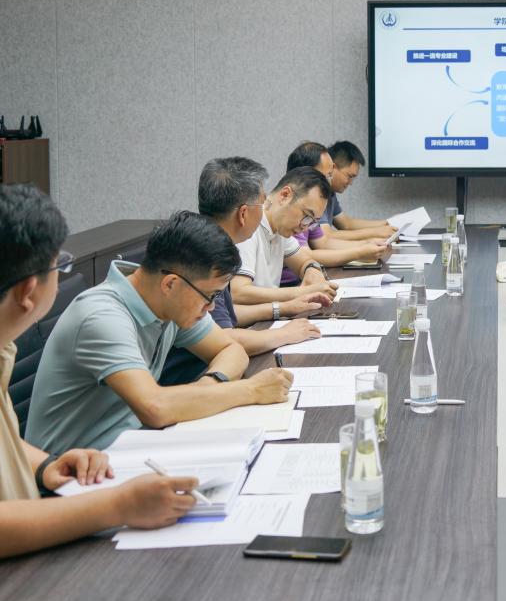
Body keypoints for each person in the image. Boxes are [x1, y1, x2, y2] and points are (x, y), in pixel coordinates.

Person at [1, 185, 198, 558]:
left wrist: (45, 466)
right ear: (28, 291)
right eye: (60, 266)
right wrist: (117, 505)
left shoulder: (3, 347)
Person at [26, 211, 293, 454]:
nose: (211, 307)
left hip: (132, 449)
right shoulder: (102, 317)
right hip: (70, 472)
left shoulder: (169, 303)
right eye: (210, 296)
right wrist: (252, 390)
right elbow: (155, 408)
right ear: (170, 284)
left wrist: (208, 387)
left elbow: (230, 349)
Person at [159, 157, 333, 385]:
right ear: (243, 214)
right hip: (188, 377)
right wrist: (283, 332)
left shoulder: (208, 246)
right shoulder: (204, 258)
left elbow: (223, 327)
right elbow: (226, 338)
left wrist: (284, 308)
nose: (265, 208)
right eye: (261, 203)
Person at [278, 141, 391, 285]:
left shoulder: (312, 207)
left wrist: (366, 245)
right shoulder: (292, 212)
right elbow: (306, 255)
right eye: (326, 176)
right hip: (288, 285)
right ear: (306, 173)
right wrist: (360, 251)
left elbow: (323, 243)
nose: (329, 182)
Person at [230, 167, 340, 305]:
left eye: (312, 222)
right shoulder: (248, 225)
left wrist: (312, 270)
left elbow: (304, 262)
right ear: (285, 195)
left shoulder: (280, 228)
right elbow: (237, 292)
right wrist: (303, 292)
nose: (305, 226)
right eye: (307, 216)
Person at [319, 140, 396, 240]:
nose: (350, 183)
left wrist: (388, 223)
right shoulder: (317, 191)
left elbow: (346, 224)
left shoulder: (331, 192)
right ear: (332, 167)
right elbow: (326, 235)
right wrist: (377, 232)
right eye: (349, 176)